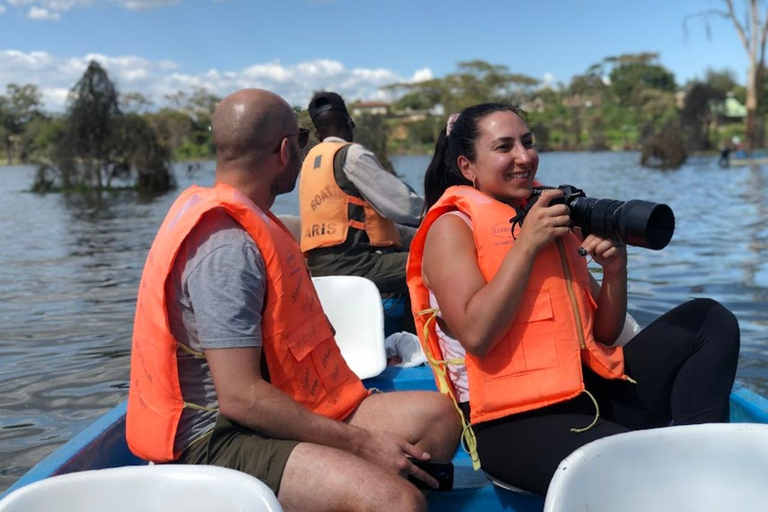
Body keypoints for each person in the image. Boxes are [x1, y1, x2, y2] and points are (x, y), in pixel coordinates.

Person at [126, 89, 460, 512]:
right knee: (398, 502)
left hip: (272, 407)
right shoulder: (227, 247)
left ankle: (346, 488)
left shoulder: (257, 219)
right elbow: (240, 397)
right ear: (285, 150)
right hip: (219, 437)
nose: (305, 153)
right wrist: (362, 444)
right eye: (302, 140)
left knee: (439, 417)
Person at [406, 103, 741, 496]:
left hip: (587, 392)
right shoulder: (451, 228)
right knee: (640, 467)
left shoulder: (548, 218)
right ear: (468, 167)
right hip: (510, 422)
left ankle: (698, 458)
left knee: (708, 320)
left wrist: (615, 271)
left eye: (527, 143)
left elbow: (604, 332)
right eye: (504, 147)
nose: (524, 157)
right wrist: (526, 246)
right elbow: (476, 335)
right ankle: (669, 475)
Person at [299, 92, 423, 333]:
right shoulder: (351, 155)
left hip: (319, 267)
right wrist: (439, 213)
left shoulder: (309, 165)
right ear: (349, 123)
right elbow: (406, 207)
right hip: (355, 262)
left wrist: (414, 238)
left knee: (412, 253)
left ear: (316, 134)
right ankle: (418, 343)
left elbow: (362, 221)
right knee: (433, 264)